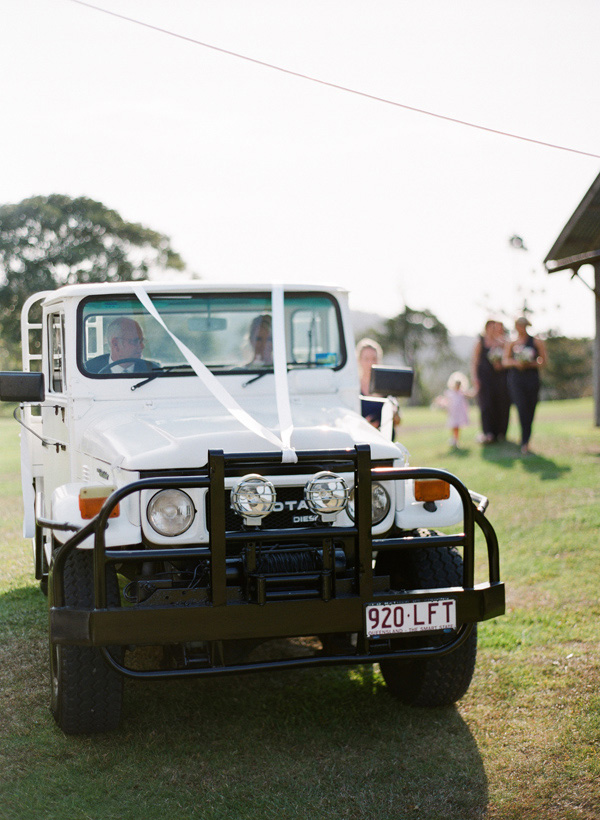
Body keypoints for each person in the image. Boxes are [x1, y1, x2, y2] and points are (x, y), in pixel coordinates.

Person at [503, 317, 547, 454]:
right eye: (518, 325)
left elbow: (543, 361)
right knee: (521, 408)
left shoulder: (536, 341)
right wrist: (517, 363)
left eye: (523, 325)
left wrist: (530, 363)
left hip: (531, 379)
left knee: (530, 408)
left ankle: (526, 438)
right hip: (516, 380)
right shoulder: (511, 342)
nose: (520, 328)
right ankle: (524, 441)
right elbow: (505, 361)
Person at [471, 319, 511, 443]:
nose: (495, 330)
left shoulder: (502, 342)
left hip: (500, 378)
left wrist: (501, 364)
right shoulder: (480, 342)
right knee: (486, 405)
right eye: (493, 327)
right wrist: (475, 378)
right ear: (487, 328)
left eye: (496, 327)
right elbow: (475, 361)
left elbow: (508, 358)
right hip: (485, 378)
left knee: (502, 404)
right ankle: (488, 433)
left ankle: (501, 433)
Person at [356, 337, 400, 434]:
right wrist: (365, 425)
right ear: (359, 360)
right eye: (366, 359)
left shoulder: (387, 386)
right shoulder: (354, 387)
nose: (370, 363)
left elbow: (398, 421)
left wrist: (393, 414)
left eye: (374, 359)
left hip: (385, 440)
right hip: (362, 440)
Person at [86, 317, 156, 373]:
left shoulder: (153, 371)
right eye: (135, 341)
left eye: (142, 341)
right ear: (115, 344)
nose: (142, 346)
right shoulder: (88, 371)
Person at [444, 371, 471, 448]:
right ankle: (454, 439)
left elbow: (468, 396)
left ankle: (456, 440)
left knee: (457, 427)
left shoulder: (461, 393)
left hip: (459, 414)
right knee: (453, 426)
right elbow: (447, 402)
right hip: (453, 413)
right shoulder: (450, 393)